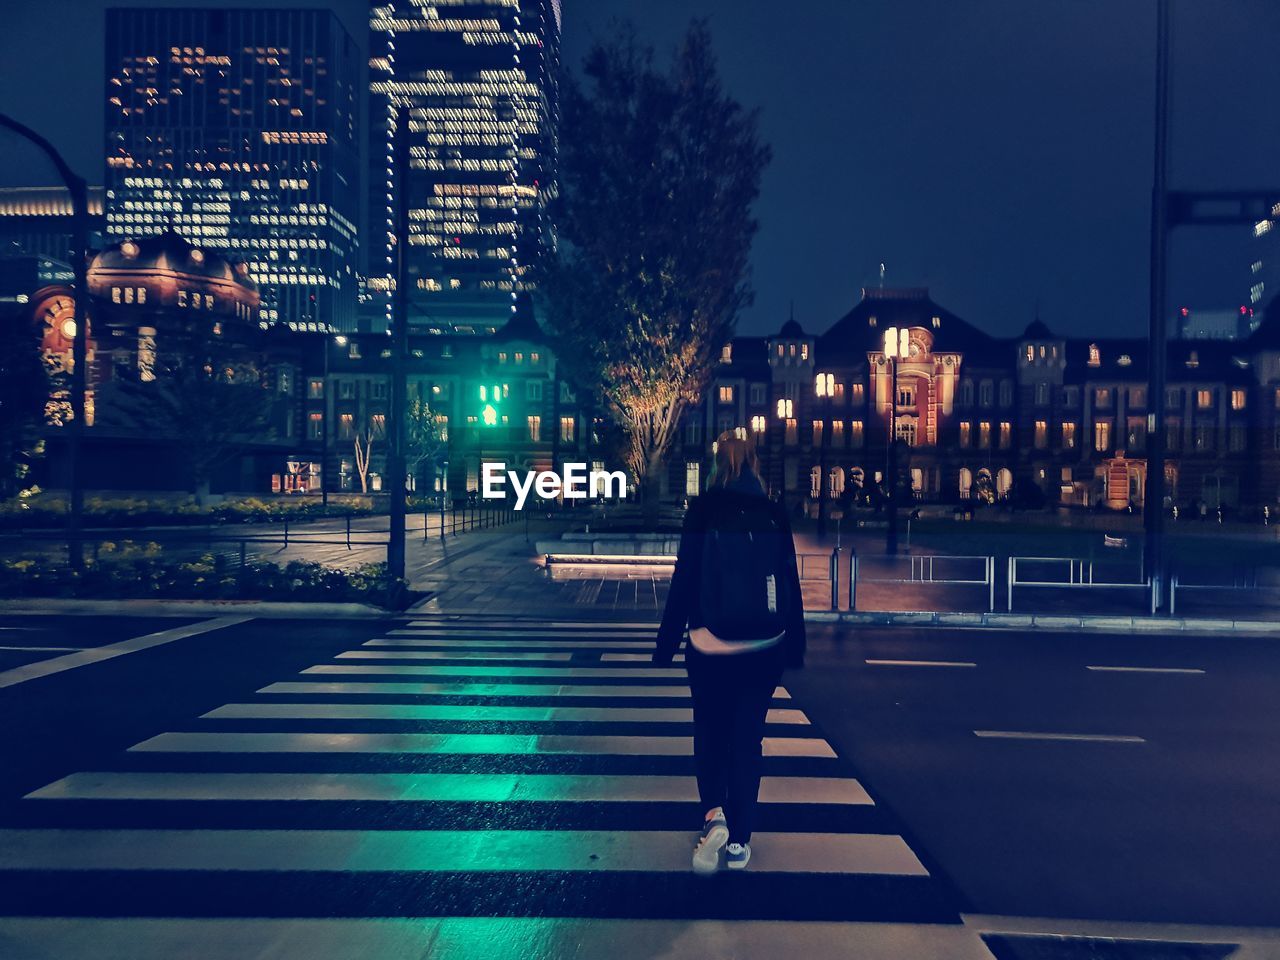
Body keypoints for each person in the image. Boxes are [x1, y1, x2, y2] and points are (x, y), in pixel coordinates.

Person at [655, 431, 806, 875]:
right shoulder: (774, 512)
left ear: (717, 465)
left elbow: (685, 579)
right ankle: (740, 841)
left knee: (709, 732)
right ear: (756, 464)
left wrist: (667, 643)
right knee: (747, 740)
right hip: (763, 647)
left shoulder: (703, 510)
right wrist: (794, 644)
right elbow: (789, 581)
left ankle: (713, 815)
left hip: (709, 644)